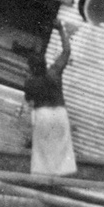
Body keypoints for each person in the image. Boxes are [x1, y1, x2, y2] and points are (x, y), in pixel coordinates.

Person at [24, 20, 77, 176]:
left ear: (31, 68)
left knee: (42, 160)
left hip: (43, 116)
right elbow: (66, 51)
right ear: (45, 63)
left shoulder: (30, 82)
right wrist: (60, 29)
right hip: (60, 115)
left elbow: (30, 102)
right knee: (62, 160)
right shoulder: (55, 72)